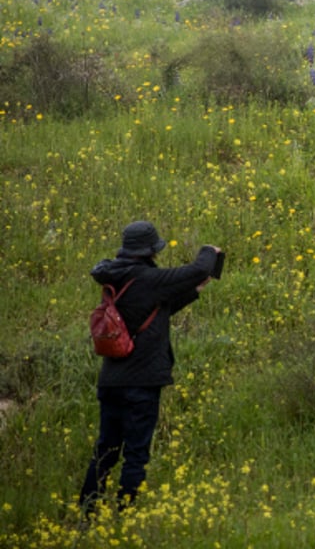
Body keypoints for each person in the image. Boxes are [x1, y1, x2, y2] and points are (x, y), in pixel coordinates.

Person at [78, 220, 220, 516]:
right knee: (136, 453)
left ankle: (88, 511)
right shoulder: (146, 278)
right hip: (141, 383)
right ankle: (125, 515)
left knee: (106, 450)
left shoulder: (117, 277)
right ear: (150, 251)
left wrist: (194, 292)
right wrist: (210, 251)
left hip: (112, 380)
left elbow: (152, 312)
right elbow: (198, 269)